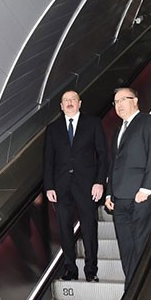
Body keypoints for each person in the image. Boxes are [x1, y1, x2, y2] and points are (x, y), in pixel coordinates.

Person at [105, 87, 151, 300]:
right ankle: (130, 295)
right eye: (116, 102)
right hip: (119, 198)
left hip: (142, 196)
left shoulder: (148, 122)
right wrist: (109, 193)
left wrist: (146, 189)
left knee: (142, 247)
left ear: (135, 100)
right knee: (127, 249)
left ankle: (142, 296)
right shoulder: (118, 131)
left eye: (123, 99)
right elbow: (113, 165)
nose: (119, 105)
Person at [44, 90, 108, 282]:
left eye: (73, 99)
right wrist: (49, 186)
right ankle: (70, 269)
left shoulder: (93, 123)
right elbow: (48, 160)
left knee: (89, 228)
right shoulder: (53, 129)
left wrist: (99, 181)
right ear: (61, 106)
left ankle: (91, 270)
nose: (69, 102)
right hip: (61, 187)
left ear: (80, 103)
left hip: (88, 186)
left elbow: (102, 154)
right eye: (66, 100)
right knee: (64, 229)